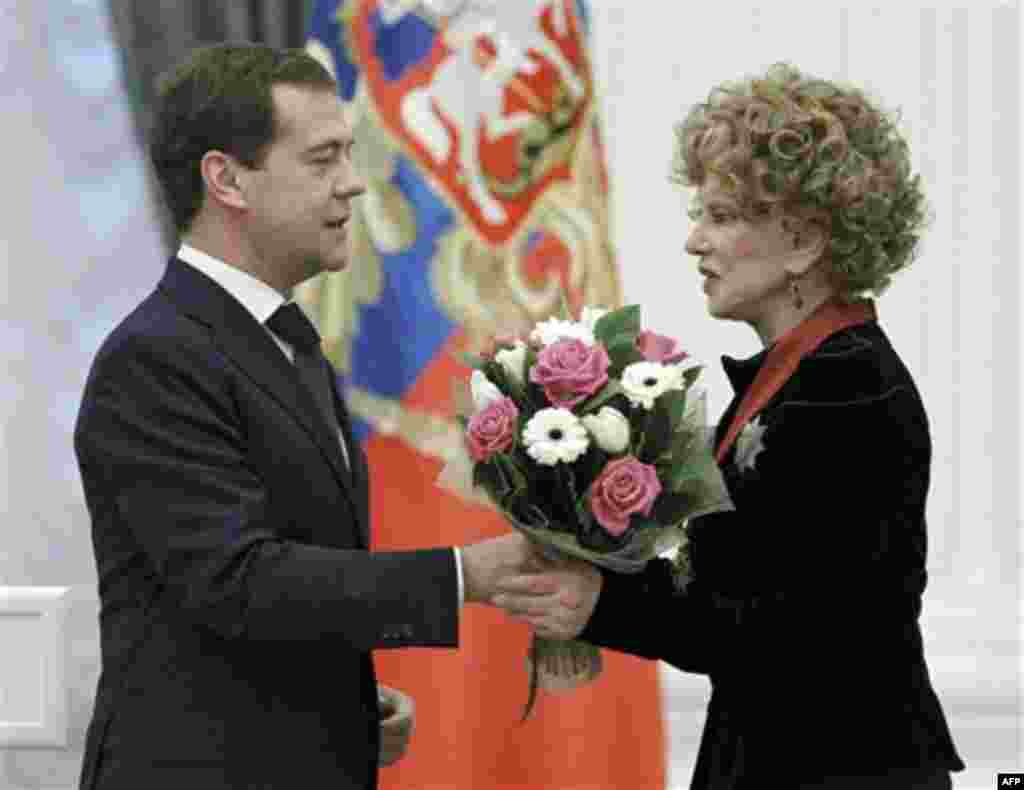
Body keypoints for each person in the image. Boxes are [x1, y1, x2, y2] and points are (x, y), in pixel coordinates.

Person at [494, 63, 966, 789]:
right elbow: (738, 579)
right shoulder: (803, 375)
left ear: (805, 242)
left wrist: (601, 605)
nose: (693, 240)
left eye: (721, 216)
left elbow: (795, 633)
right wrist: (589, 565)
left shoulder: (848, 391)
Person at [73, 43, 530, 790]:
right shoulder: (155, 357)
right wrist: (461, 575)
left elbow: (280, 590)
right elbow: (238, 581)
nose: (354, 185)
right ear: (225, 179)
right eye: (322, 160)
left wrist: (343, 706)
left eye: (349, 156)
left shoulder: (285, 344)